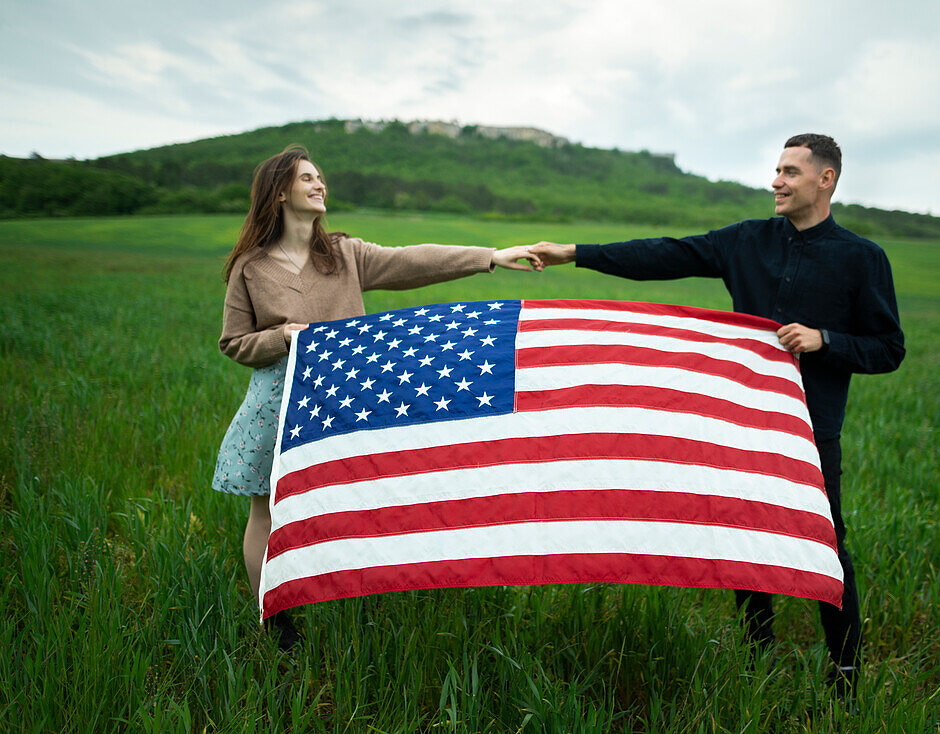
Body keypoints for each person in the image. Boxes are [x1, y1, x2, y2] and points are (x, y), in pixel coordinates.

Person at [528, 134, 904, 701]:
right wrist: (577, 252)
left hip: (811, 430)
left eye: (791, 172)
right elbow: (664, 254)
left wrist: (825, 340)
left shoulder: (862, 258)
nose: (777, 181)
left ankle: (846, 674)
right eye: (776, 170)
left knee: (827, 542)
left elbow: (888, 348)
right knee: (747, 535)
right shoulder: (746, 241)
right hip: (743, 420)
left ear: (825, 180)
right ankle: (758, 654)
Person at [212, 145, 542, 649]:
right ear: (279, 192)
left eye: (320, 177)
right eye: (307, 178)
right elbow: (234, 343)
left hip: (343, 402)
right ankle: (271, 621)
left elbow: (411, 261)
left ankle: (344, 597)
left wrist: (489, 258)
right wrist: (281, 337)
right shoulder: (250, 268)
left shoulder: (343, 254)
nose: (319, 185)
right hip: (279, 404)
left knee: (348, 506)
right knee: (268, 512)